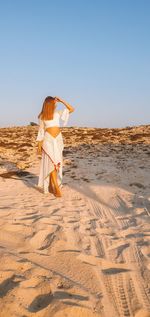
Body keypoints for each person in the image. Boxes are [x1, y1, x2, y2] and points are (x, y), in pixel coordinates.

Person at [36, 96, 75, 197]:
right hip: (48, 140)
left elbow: (72, 109)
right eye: (55, 101)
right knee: (53, 163)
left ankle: (50, 185)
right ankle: (56, 187)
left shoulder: (57, 113)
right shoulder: (42, 117)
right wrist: (39, 146)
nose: (56, 103)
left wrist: (62, 100)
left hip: (58, 140)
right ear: (50, 103)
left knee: (56, 162)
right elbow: (40, 132)